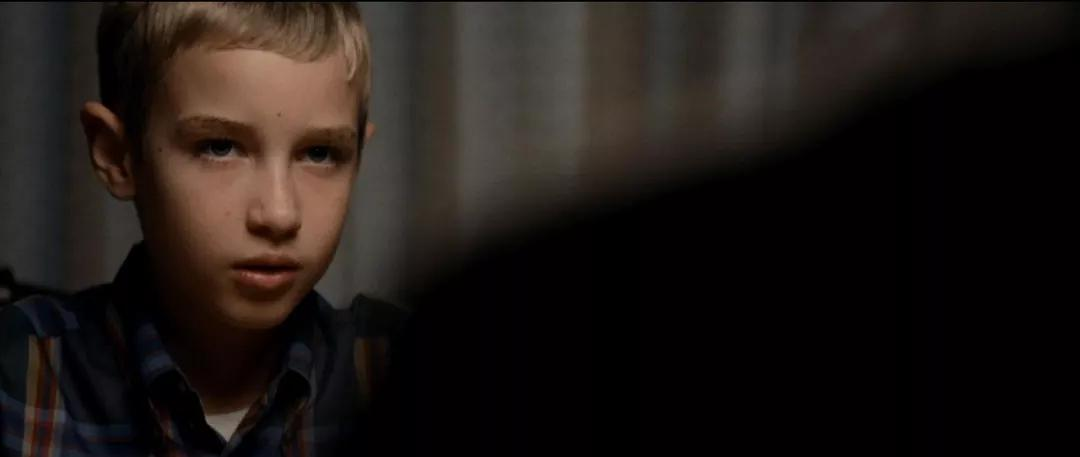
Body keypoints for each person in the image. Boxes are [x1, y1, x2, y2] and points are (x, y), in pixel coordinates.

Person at [0, 3, 406, 456]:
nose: (279, 214)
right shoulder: (21, 378)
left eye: (320, 154)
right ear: (117, 154)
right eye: (219, 147)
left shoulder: (414, 375)